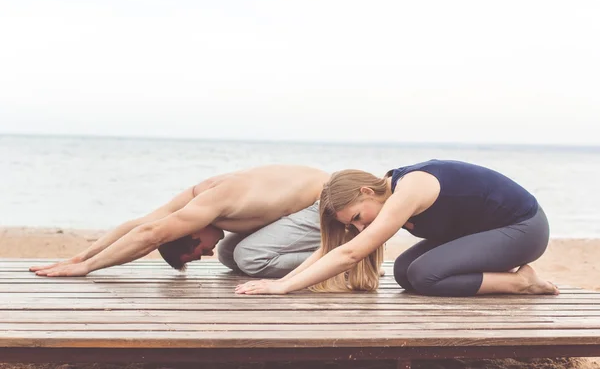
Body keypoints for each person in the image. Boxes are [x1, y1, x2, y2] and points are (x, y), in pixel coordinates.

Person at [235, 159, 559, 297]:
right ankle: (515, 280)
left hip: (522, 229)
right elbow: (331, 248)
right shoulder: (384, 195)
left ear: (366, 192)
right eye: (354, 224)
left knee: (425, 275)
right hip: (480, 234)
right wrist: (284, 280)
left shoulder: (410, 189)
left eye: (358, 218)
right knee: (405, 273)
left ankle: (521, 282)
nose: (360, 228)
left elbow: (350, 255)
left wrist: (283, 289)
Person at [30, 165, 328, 278]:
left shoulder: (211, 203)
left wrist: (86, 268)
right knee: (230, 255)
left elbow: (151, 234)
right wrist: (81, 254)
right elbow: (138, 224)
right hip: (310, 202)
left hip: (329, 204)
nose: (209, 252)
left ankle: (338, 266)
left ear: (191, 233)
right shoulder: (195, 196)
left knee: (249, 257)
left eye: (200, 252)